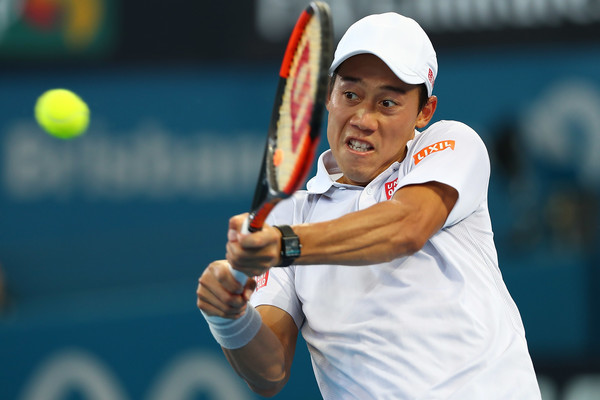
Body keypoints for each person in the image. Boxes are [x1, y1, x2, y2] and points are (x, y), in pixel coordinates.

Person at [197, 12, 541, 399]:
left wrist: (285, 246)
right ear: (329, 95)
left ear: (424, 112)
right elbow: (270, 372)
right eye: (351, 95)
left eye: (388, 102)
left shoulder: (451, 145)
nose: (363, 118)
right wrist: (229, 317)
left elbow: (406, 226)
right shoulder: (288, 215)